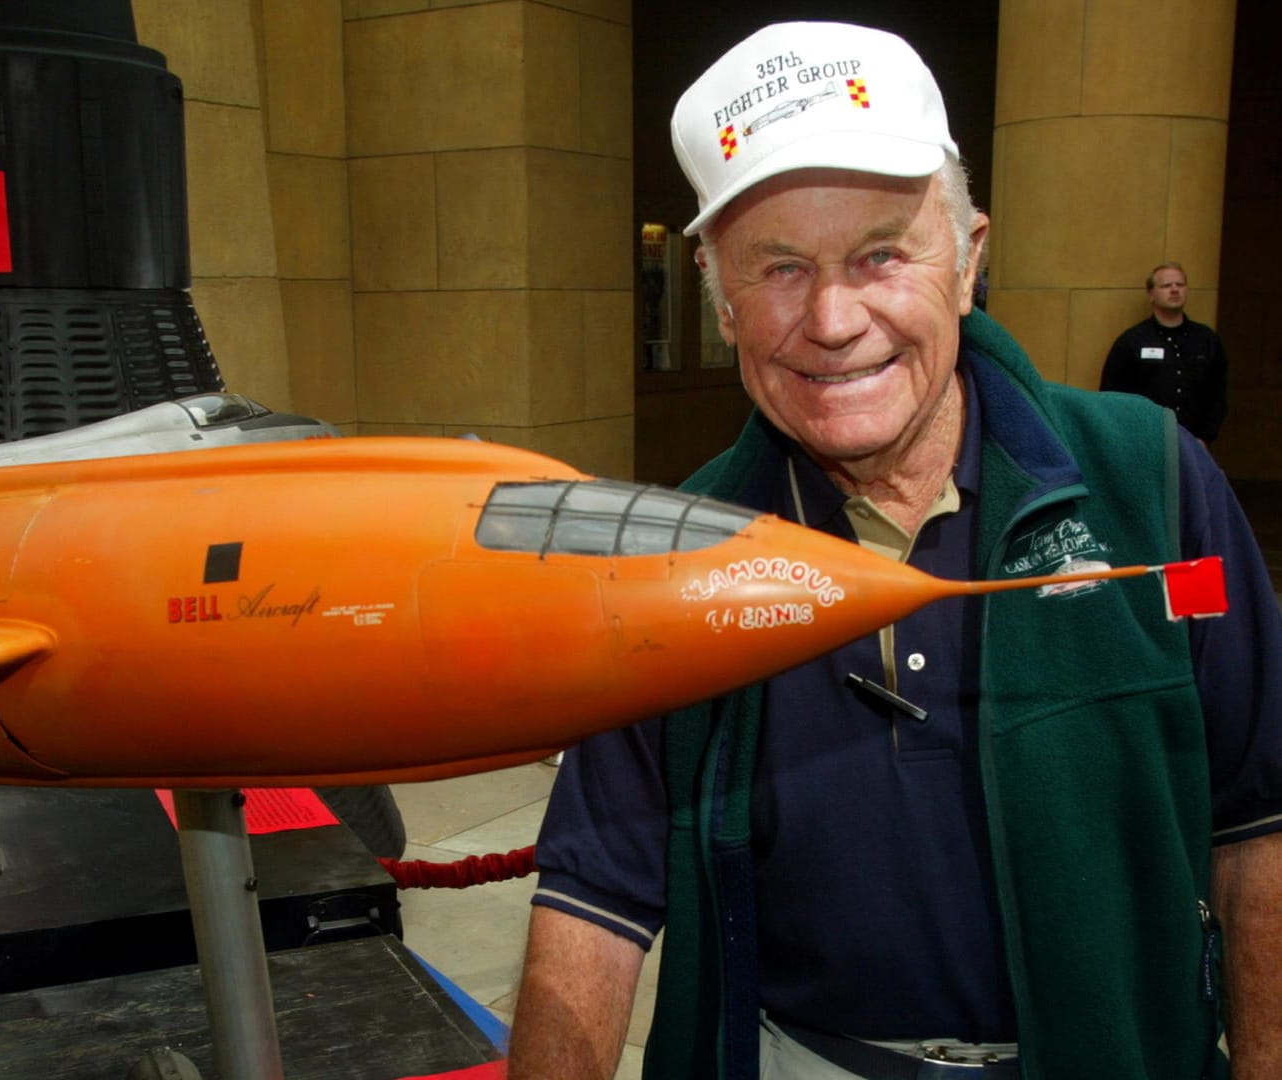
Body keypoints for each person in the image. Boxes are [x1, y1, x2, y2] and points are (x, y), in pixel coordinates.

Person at [507, 20, 1282, 1080]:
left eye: (881, 253)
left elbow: (1261, 817)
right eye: (779, 267)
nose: (833, 319)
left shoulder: (1152, 481)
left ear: (969, 260)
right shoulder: (664, 561)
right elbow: (593, 893)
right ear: (719, 299)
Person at [1100, 262, 1228, 443]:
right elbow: (1111, 396)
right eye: (1167, 286)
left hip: (1194, 442)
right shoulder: (1132, 341)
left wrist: (1205, 437)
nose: (1175, 290)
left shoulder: (1207, 340)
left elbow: (1217, 395)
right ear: (1152, 294)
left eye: (1180, 284)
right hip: (1145, 442)